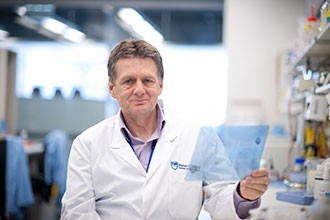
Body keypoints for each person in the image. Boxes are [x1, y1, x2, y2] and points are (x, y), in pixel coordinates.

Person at [60, 39, 269, 220]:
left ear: (160, 85)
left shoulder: (197, 136)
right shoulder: (87, 144)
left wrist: (243, 194)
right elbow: (77, 213)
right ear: (112, 88)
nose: (139, 90)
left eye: (147, 80)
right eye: (128, 81)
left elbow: (221, 196)